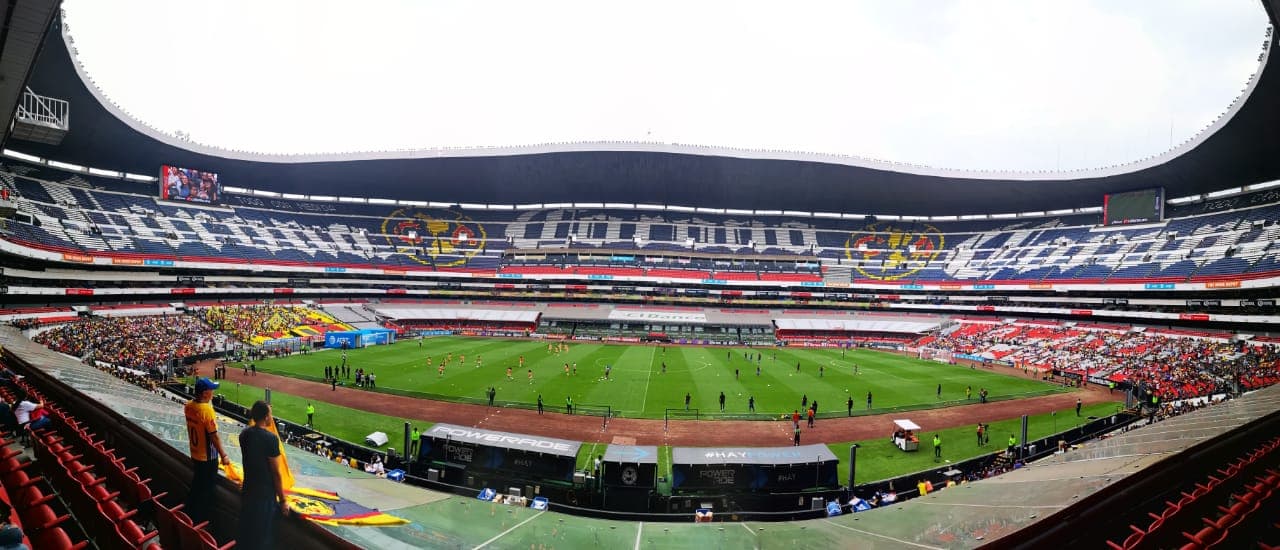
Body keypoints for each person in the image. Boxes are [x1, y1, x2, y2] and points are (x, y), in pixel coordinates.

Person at [237, 401, 289, 550]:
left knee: (245, 535)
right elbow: (276, 473)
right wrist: (283, 500)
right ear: (266, 417)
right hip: (264, 497)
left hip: (248, 491)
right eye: (270, 414)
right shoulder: (271, 439)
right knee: (262, 539)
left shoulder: (244, 434)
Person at [185, 377, 231, 524]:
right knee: (206, 491)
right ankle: (199, 522)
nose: (213, 393)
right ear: (205, 393)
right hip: (207, 458)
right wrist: (223, 455)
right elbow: (214, 436)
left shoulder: (189, 405)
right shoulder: (206, 410)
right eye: (211, 390)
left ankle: (188, 515)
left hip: (195, 453)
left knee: (196, 486)